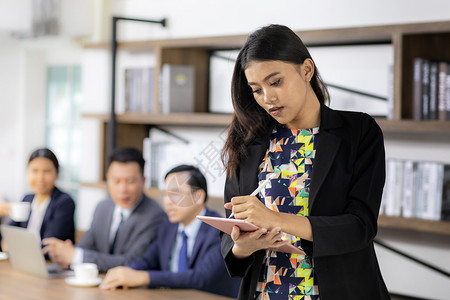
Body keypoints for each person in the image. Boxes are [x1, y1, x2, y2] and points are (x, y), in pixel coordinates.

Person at [220, 24, 389, 300]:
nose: (267, 98)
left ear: (307, 70)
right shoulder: (248, 143)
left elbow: (360, 227)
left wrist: (276, 220)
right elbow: (230, 239)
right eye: (256, 89)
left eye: (275, 82)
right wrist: (243, 245)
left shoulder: (359, 132)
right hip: (266, 293)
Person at [99, 164, 240, 298]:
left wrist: (144, 277)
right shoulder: (168, 226)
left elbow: (200, 278)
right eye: (166, 195)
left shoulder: (220, 229)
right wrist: (125, 273)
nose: (168, 202)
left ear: (198, 196)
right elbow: (147, 259)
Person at [43, 147, 166, 272]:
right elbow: (86, 246)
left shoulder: (155, 216)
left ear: (143, 181)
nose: (123, 189)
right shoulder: (103, 207)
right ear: (108, 179)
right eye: (116, 181)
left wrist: (76, 256)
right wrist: (66, 255)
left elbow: (130, 262)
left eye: (130, 181)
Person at [0, 148, 75, 252]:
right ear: (28, 172)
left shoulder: (64, 202)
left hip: (50, 263)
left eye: (47, 171)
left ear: (57, 174)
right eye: (35, 171)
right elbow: (10, 232)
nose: (40, 178)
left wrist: (14, 246)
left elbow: (48, 244)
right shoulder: (27, 199)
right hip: (23, 259)